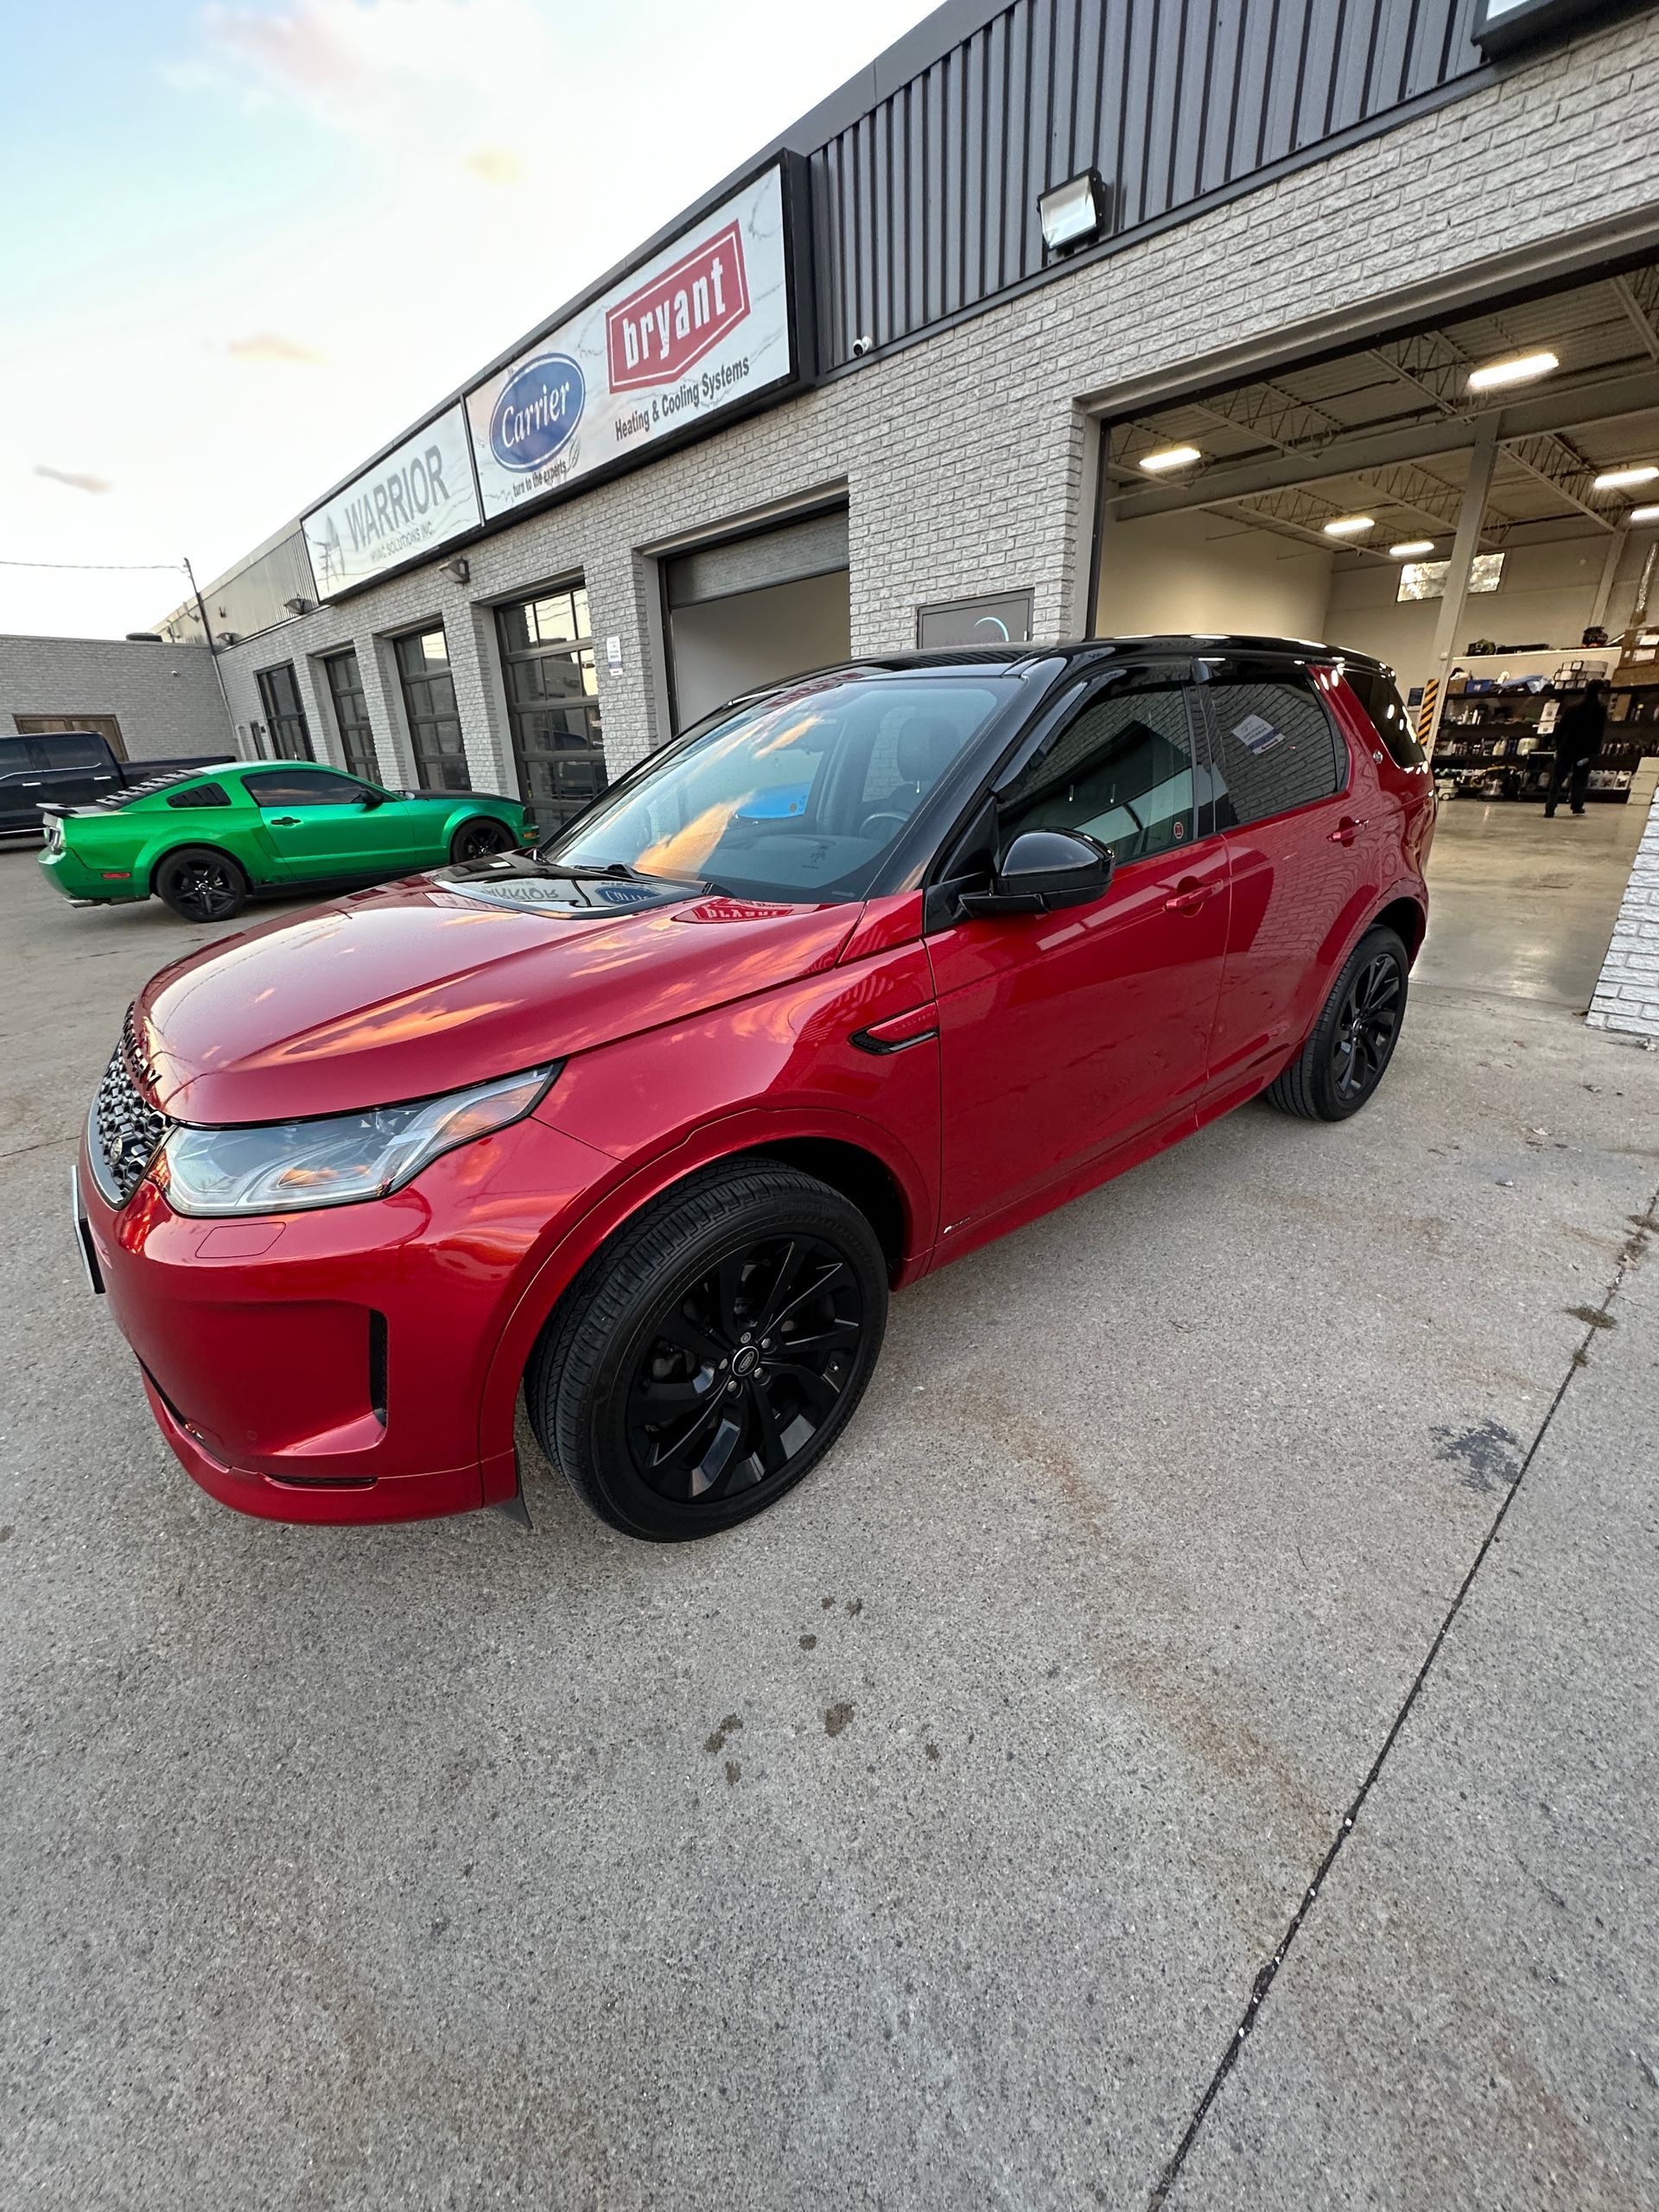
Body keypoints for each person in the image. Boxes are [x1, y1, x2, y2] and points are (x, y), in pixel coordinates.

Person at [1544, 679, 1610, 817]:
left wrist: (1558, 745)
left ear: (1586, 689)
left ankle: (1550, 807)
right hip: (1585, 750)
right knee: (1580, 778)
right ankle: (1577, 806)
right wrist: (1595, 751)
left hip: (1566, 747)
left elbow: (1561, 728)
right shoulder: (1601, 708)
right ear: (1599, 692)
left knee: (1557, 779)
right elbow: (1599, 732)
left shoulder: (1572, 706)